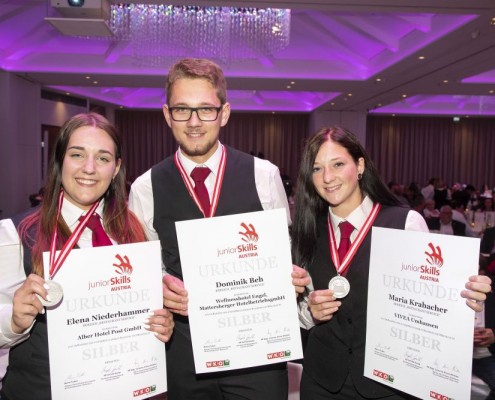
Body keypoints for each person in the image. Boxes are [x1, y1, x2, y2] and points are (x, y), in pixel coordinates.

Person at [129, 58, 291, 400]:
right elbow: (145, 271)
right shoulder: (144, 188)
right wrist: (160, 286)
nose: (193, 122)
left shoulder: (264, 175)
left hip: (258, 352)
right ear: (167, 114)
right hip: (184, 352)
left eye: (205, 109)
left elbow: (285, 254)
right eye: (182, 110)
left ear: (224, 113)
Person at [290, 126, 491, 399]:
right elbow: (298, 311)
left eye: (338, 164)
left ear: (360, 166)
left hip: (385, 382)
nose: (327, 177)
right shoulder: (307, 230)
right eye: (317, 168)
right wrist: (310, 312)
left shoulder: (403, 223)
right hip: (321, 382)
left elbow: (432, 299)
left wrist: (465, 297)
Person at [0, 113, 174, 400]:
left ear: (116, 169)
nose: (89, 168)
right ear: (60, 160)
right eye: (77, 155)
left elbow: (145, 309)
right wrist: (14, 321)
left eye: (103, 158)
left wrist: (160, 323)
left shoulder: (133, 229)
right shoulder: (15, 234)